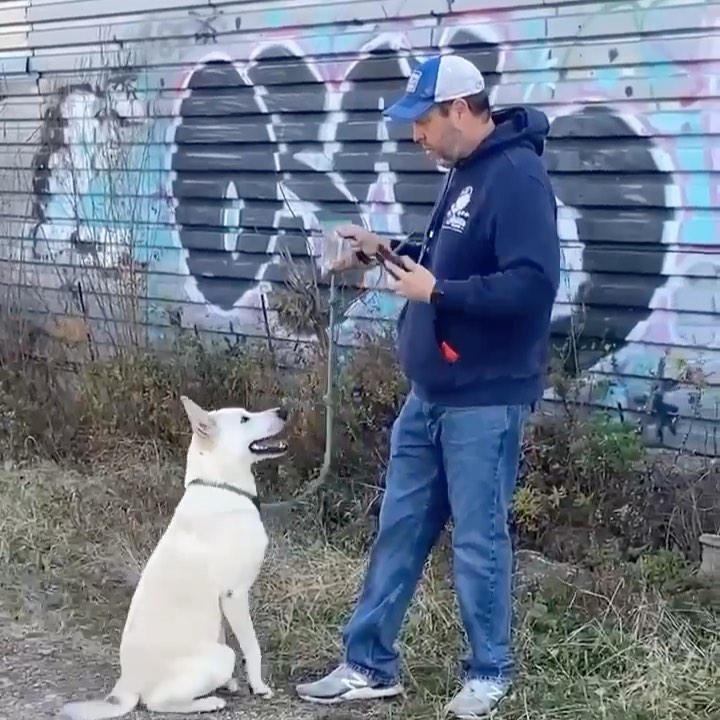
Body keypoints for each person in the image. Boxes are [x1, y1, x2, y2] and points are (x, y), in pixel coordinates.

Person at [295, 54, 560, 718]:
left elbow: (532, 283)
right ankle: (367, 664)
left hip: (484, 397)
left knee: (478, 538)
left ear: (461, 111)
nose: (414, 135)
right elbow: (452, 259)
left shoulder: (518, 176)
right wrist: (385, 250)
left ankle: (488, 674)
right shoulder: (464, 174)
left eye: (422, 121)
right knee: (401, 529)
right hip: (429, 394)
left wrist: (437, 288)